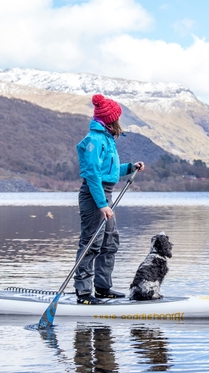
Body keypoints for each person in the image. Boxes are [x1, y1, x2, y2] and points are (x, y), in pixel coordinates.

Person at [74, 94, 145, 305]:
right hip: (94, 196)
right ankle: (84, 293)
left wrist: (130, 167)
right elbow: (93, 175)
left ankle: (103, 288)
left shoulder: (107, 139)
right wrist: (102, 204)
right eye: (117, 118)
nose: (119, 122)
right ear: (110, 119)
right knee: (91, 244)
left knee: (109, 242)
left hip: (106, 195)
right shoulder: (93, 141)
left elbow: (110, 172)